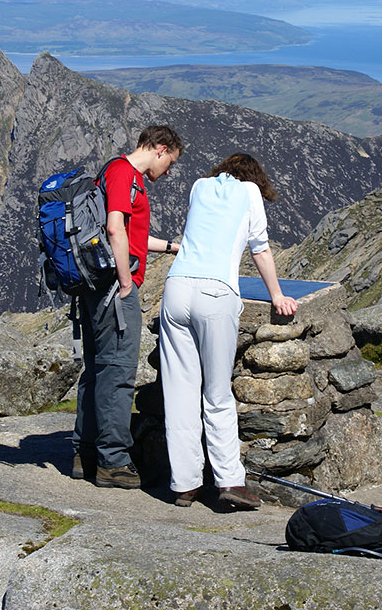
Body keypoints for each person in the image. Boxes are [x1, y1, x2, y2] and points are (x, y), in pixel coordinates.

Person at [159, 152, 298, 508]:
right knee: (217, 395)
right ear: (255, 177)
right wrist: (278, 295)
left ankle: (184, 484)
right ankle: (230, 482)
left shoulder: (199, 186)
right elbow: (260, 250)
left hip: (176, 288)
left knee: (179, 393)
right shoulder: (250, 193)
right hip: (215, 292)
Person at [71, 125, 183, 489]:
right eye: (170, 164)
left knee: (96, 369)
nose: (166, 174)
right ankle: (114, 461)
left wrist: (170, 247)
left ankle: (84, 453)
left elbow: (131, 234)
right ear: (161, 149)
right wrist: (124, 282)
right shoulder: (125, 174)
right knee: (118, 373)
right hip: (113, 290)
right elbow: (115, 228)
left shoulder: (111, 170)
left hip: (95, 288)